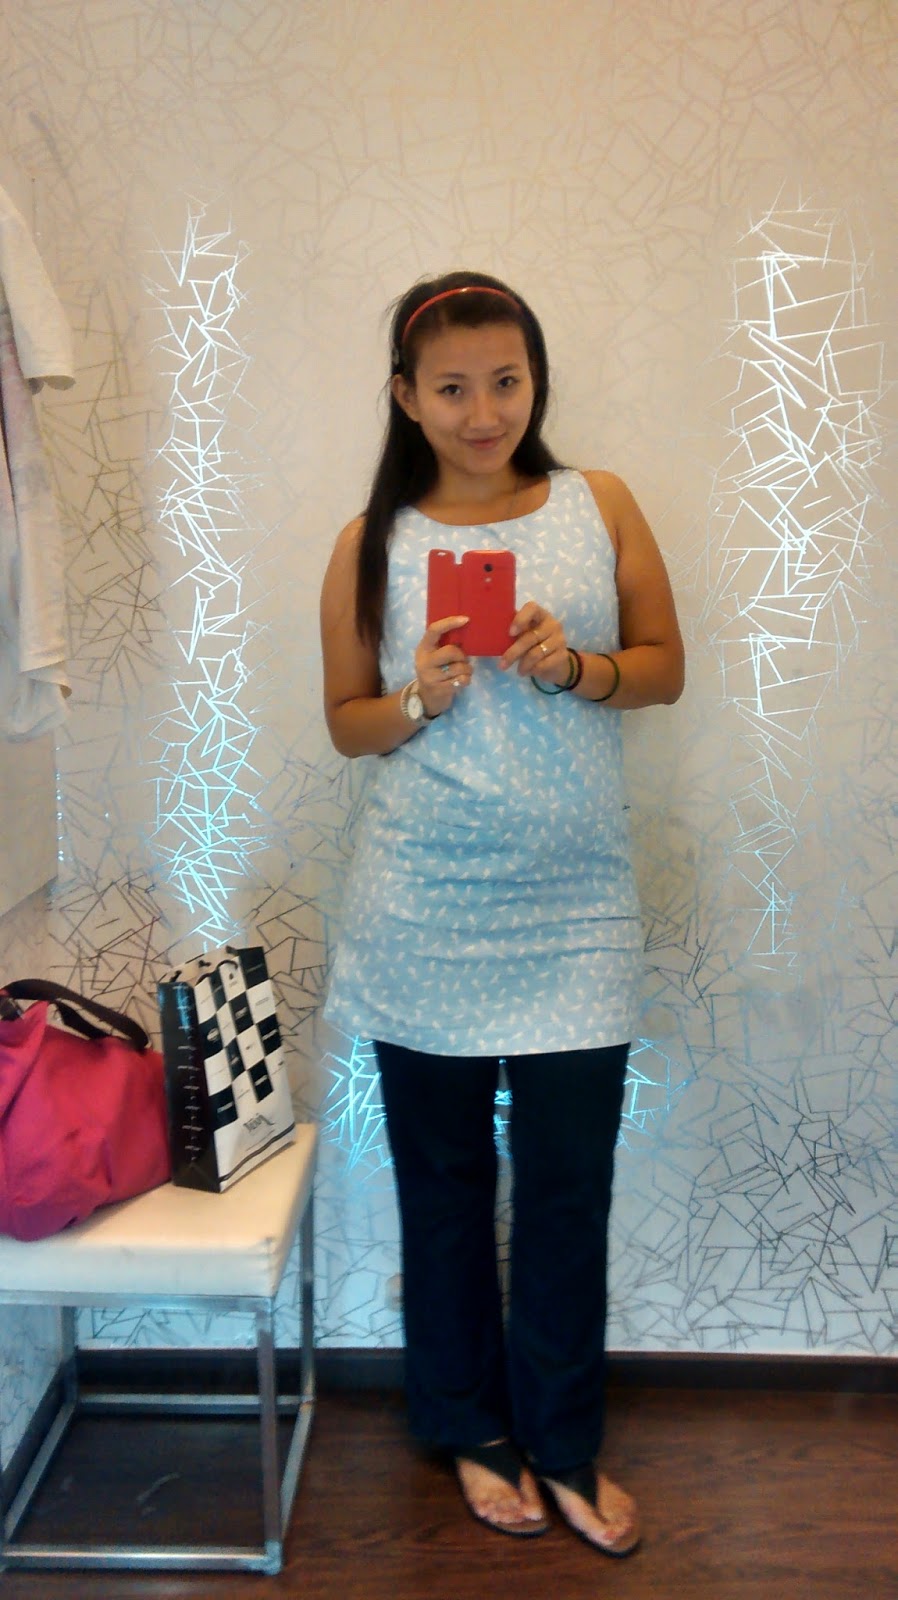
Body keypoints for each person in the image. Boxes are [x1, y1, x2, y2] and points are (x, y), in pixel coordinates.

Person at [320, 270, 684, 1556]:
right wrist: (419, 694)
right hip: (421, 910)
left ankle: (564, 1442)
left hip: (576, 911)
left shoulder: (600, 504)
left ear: (536, 381)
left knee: (569, 1187)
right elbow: (348, 723)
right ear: (406, 397)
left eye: (506, 381)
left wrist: (571, 664)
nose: (484, 412)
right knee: (445, 1187)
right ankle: (470, 1427)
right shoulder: (371, 543)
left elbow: (663, 669)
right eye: (453, 388)